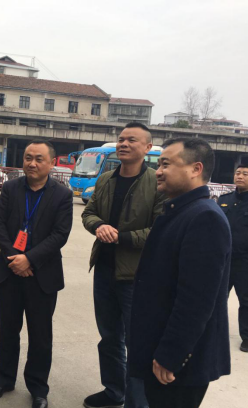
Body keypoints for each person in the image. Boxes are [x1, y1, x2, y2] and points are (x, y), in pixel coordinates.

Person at [130, 138, 231, 408]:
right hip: (161, 349)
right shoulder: (181, 211)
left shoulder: (204, 217)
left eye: (166, 164)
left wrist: (171, 355)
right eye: (158, 164)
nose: (158, 171)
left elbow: (196, 300)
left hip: (178, 365)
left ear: (196, 169)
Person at [81, 122, 166, 408]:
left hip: (137, 276)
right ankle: (114, 390)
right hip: (104, 270)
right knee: (109, 337)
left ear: (148, 147)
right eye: (121, 139)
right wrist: (99, 226)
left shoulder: (156, 182)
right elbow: (88, 213)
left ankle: (137, 401)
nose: (124, 144)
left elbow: (161, 229)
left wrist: (122, 237)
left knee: (138, 341)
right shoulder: (106, 179)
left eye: (132, 140)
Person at [0, 141, 73, 408]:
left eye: (38, 159)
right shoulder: (11, 188)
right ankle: (4, 379)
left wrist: (29, 259)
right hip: (10, 271)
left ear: (52, 163)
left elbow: (60, 234)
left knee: (40, 336)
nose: (32, 163)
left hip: (43, 276)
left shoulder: (62, 194)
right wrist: (14, 258)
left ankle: (38, 388)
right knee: (8, 330)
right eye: (27, 158)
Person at [218, 164, 248, 353]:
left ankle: (247, 337)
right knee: (217, 298)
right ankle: (215, 333)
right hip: (223, 260)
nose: (240, 176)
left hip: (245, 262)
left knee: (246, 300)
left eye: (245, 174)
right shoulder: (224, 200)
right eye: (238, 173)